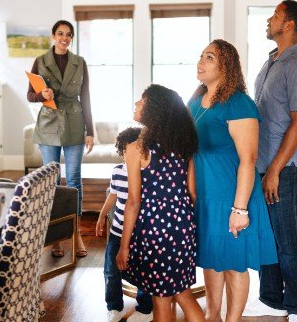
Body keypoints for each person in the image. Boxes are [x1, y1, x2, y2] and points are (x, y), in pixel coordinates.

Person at [189, 40, 277, 322]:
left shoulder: (239, 103)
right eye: (201, 56)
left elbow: (248, 160)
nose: (201, 61)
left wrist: (240, 209)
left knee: (233, 264)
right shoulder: (196, 99)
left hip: (232, 196)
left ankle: (232, 319)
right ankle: (212, 315)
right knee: (212, 259)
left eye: (209, 57)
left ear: (225, 66)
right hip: (204, 196)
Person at [244, 1, 297, 322]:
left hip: (285, 168)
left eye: (275, 15)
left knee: (288, 238)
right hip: (265, 165)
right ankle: (272, 300)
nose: (269, 19)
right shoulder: (272, 61)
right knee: (267, 235)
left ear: (289, 24)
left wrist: (274, 170)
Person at [117, 84, 204, 322]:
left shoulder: (136, 148)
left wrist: (124, 247)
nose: (137, 103)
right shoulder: (183, 146)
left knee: (162, 302)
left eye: (142, 101)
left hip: (154, 232)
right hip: (182, 228)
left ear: (154, 110)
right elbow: (192, 193)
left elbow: (133, 202)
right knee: (183, 294)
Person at [28, 19, 94, 257]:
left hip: (75, 123)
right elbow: (30, 95)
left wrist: (91, 130)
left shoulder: (79, 62)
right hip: (48, 124)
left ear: (71, 38)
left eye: (68, 34)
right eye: (60, 34)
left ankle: (76, 233)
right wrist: (41, 94)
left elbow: (85, 97)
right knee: (52, 181)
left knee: (74, 179)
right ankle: (55, 236)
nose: (64, 38)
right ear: (53, 36)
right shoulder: (40, 61)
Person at [95, 126, 153, 322]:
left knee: (144, 271)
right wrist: (102, 215)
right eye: (127, 150)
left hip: (141, 233)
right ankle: (114, 307)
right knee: (111, 271)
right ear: (122, 151)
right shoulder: (118, 171)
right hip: (118, 232)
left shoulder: (148, 173)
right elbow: (113, 195)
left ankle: (145, 308)